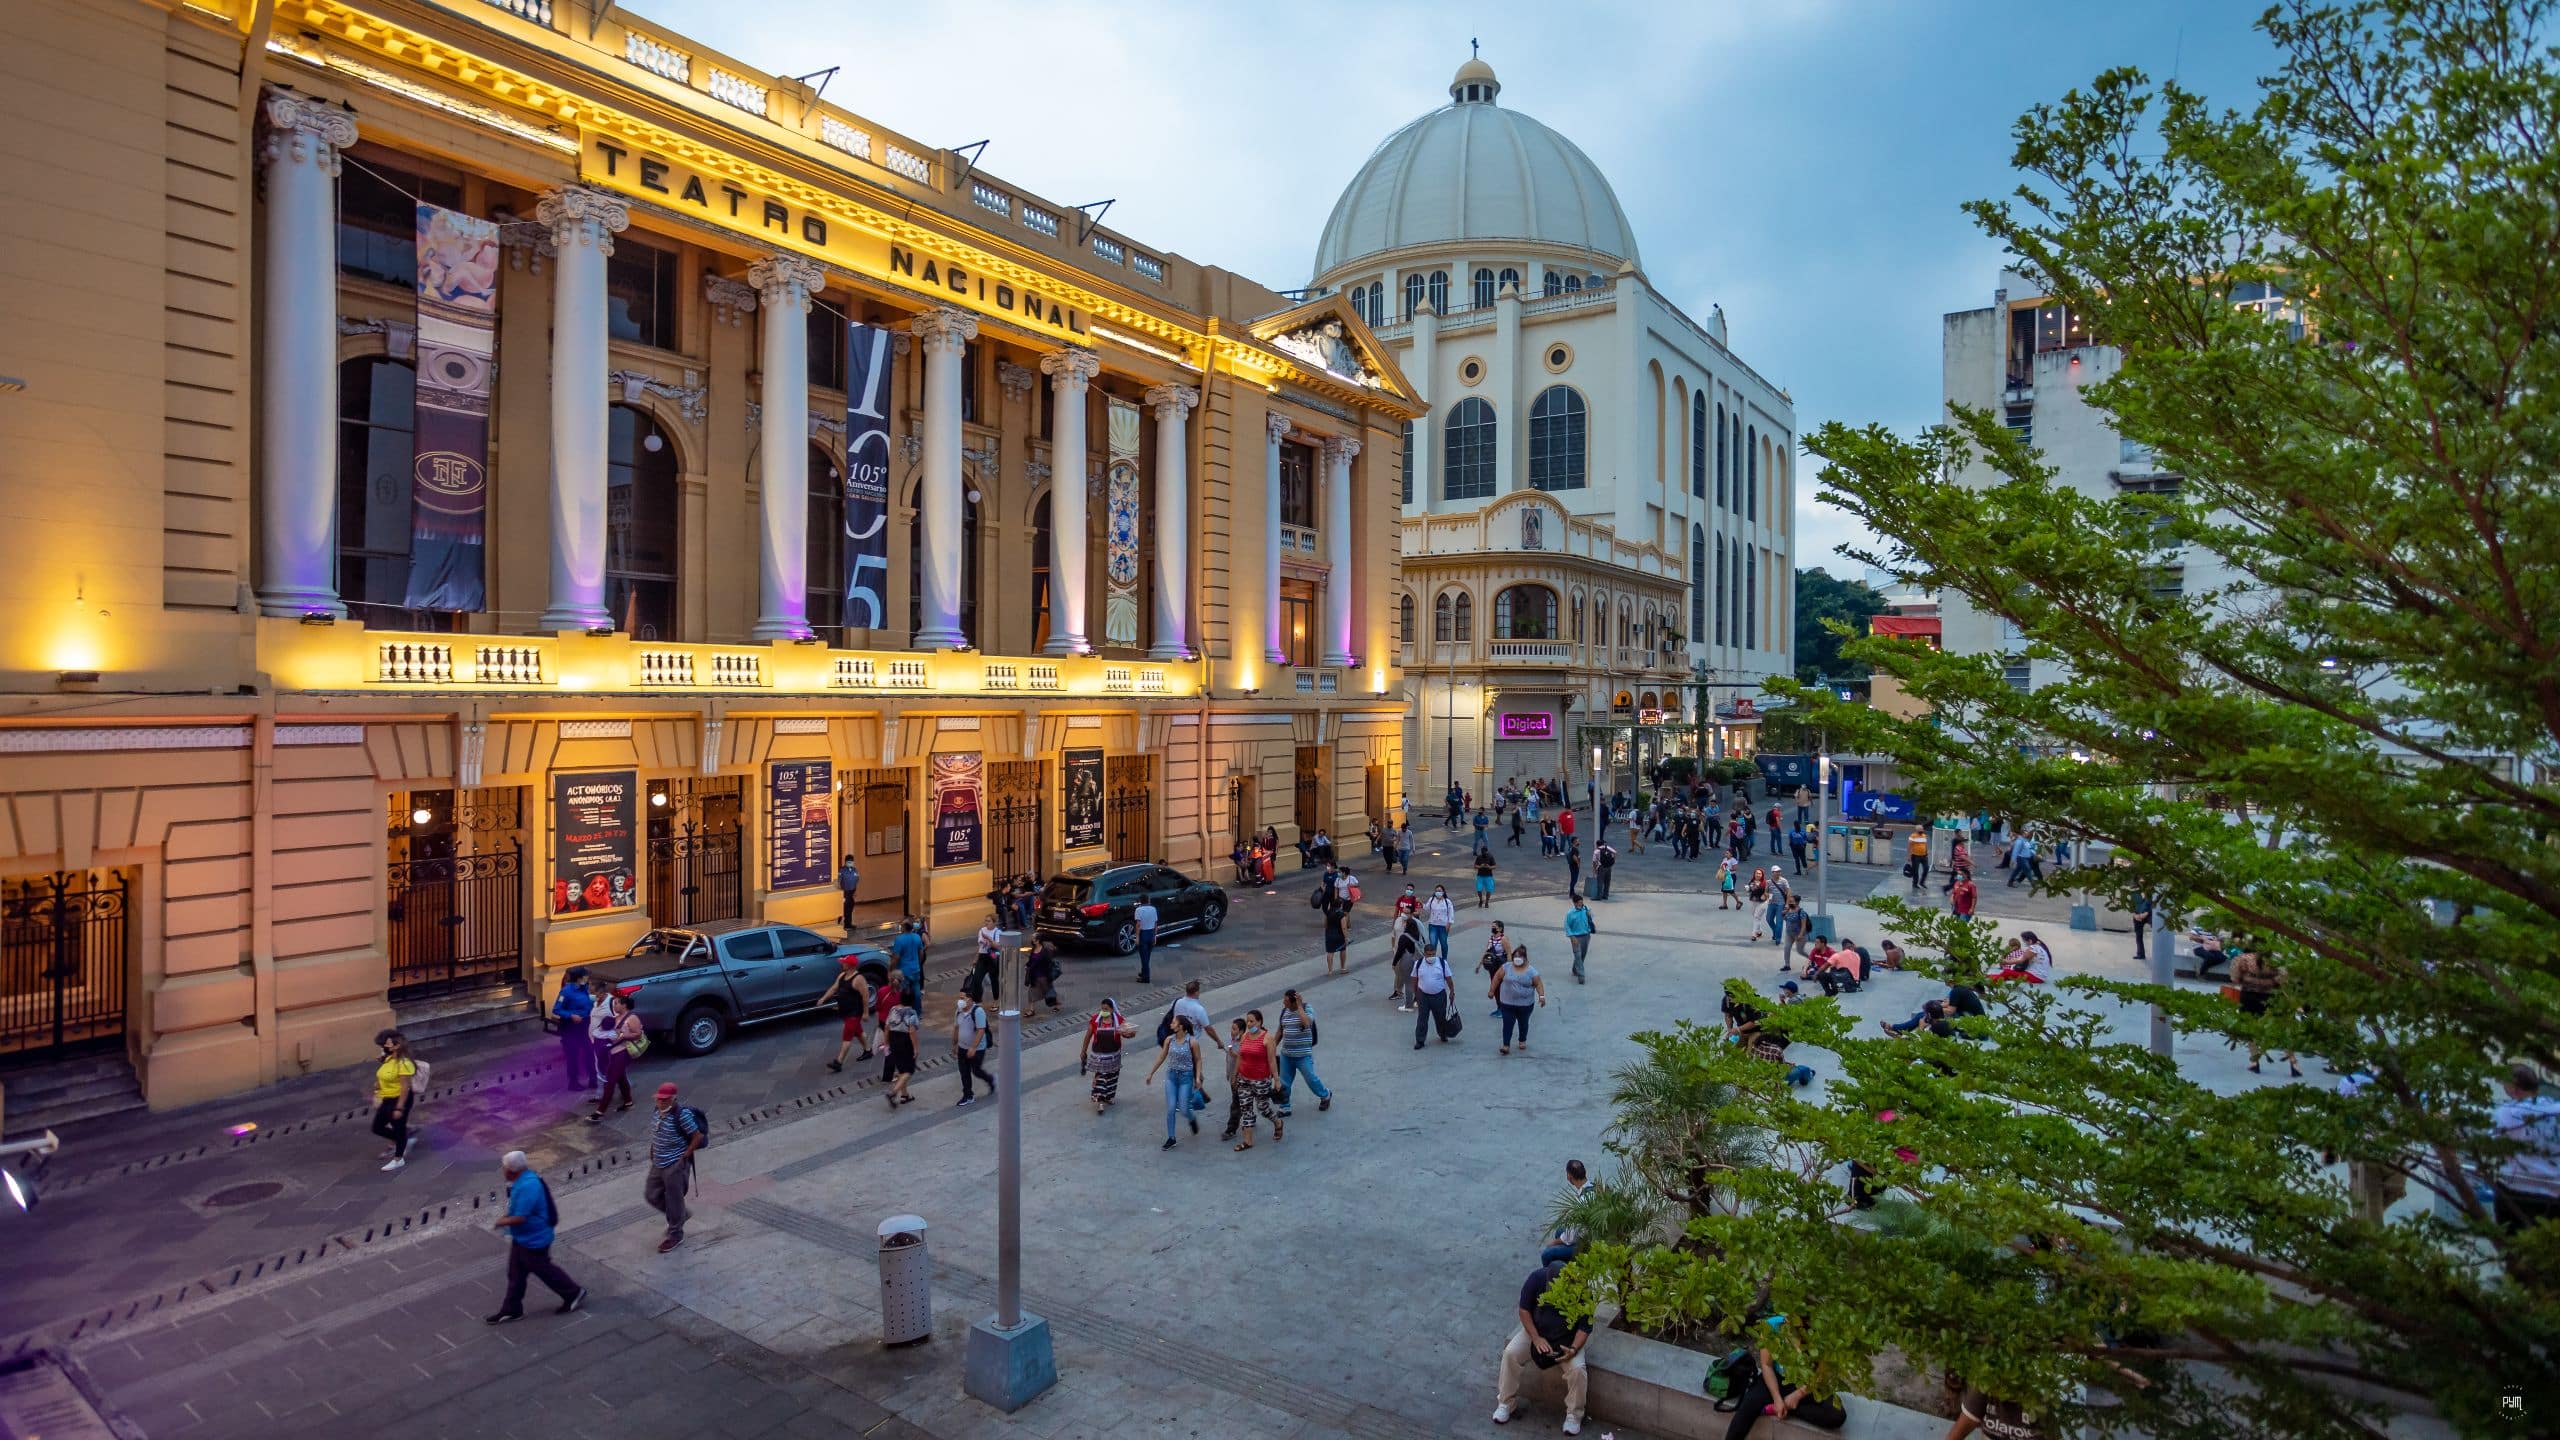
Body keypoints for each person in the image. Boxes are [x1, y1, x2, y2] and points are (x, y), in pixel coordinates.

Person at [1491, 1256, 1589, 1434]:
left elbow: (1585, 1327)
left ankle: (1574, 1415)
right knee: (1511, 1353)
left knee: (1578, 1370)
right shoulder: (1536, 1279)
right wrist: (1536, 1338)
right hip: (1536, 1331)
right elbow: (1524, 1310)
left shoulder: (1581, 1287)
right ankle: (1505, 1403)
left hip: (1567, 1339)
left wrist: (1573, 1349)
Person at [485, 1150, 583, 1324]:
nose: (502, 1170)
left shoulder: (526, 1186)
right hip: (524, 1238)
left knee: (544, 1270)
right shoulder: (524, 1179)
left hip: (533, 1240)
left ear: (511, 1170)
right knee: (515, 1273)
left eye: (504, 1167)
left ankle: (573, 1292)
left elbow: (520, 1217)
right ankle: (511, 1309)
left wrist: (501, 1221)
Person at [2488, 1063, 2560, 1232]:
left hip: (2518, 1192)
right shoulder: (2556, 1109)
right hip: (2555, 1191)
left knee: (2515, 1249)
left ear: (2513, 1088)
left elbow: (2489, 1145)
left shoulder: (2507, 1113)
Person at [643, 1081, 705, 1252]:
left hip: (674, 1164)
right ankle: (681, 1215)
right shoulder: (657, 1112)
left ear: (673, 1099)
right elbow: (657, 1132)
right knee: (651, 1195)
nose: (661, 1102)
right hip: (658, 1162)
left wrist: (685, 1156)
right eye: (658, 1099)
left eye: (664, 1099)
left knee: (674, 1199)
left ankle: (675, 1234)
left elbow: (697, 1136)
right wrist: (653, 1149)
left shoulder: (682, 1115)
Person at [2231, 944, 2297, 1076]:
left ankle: (2255, 1062)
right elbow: (2284, 977)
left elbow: (2234, 978)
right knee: (2279, 1029)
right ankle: (2293, 1062)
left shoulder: (2242, 959)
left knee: (2250, 1029)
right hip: (2271, 997)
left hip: (2249, 996)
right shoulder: (2276, 959)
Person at [1144, 1013, 1203, 1149]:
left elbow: (1198, 1060)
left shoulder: (1192, 1042)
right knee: (1170, 1108)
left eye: (1174, 1023)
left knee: (1183, 1108)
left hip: (1185, 1078)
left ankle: (1191, 1118)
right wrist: (1151, 1073)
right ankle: (1171, 1137)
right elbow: (1161, 1057)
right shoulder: (1169, 1040)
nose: (1171, 1024)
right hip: (1171, 1077)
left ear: (1181, 1026)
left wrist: (1198, 1077)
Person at [1273, 988, 1331, 1116]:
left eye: (1286, 1001)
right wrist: (1272, 1048)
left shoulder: (1307, 1008)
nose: (1283, 1003)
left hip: (1303, 1055)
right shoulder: (1284, 1012)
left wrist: (1299, 1006)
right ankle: (1285, 1106)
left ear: (1294, 1002)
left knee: (1311, 1079)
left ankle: (1325, 1095)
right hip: (1286, 1055)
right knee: (1284, 1082)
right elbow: (1280, 1032)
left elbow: (1306, 1023)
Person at [1231, 1009, 1282, 1149]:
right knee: (1246, 1108)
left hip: (1261, 1080)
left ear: (1259, 1022)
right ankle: (1248, 1141)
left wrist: (1276, 1079)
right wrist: (1235, 1074)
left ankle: (1277, 1122)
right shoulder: (1245, 1036)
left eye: (1252, 1021)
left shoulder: (1267, 1039)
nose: (1248, 1024)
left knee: (1263, 1108)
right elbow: (1240, 1057)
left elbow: (1272, 1061)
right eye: (1247, 1021)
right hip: (1244, 1079)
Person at [588, 995, 642, 1123]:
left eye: (617, 1003)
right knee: (621, 1078)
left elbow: (638, 1034)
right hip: (614, 1053)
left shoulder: (632, 1018)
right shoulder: (615, 1018)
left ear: (624, 1005)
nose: (614, 1005)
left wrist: (623, 1037)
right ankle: (628, 1102)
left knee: (610, 1081)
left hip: (623, 1053)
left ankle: (600, 1112)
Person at [371, 1028, 418, 1173]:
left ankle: (399, 1159)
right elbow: (387, 1075)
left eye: (385, 1045)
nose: (383, 1048)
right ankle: (404, 1139)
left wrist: (399, 1108)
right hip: (387, 1097)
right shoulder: (389, 1058)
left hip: (399, 1099)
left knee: (398, 1127)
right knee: (377, 1127)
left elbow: (405, 1088)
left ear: (396, 1045)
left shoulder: (404, 1064)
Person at [1080, 998, 1134, 1112]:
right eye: (1102, 1009)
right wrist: (1083, 1050)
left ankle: (1109, 1097)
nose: (1103, 1011)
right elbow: (1088, 1036)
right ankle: (1100, 1101)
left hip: (1113, 1055)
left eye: (1106, 1009)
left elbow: (1126, 1033)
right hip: (1099, 1056)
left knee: (1112, 1077)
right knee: (1101, 1078)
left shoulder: (1118, 1020)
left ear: (1112, 1009)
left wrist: (1130, 1034)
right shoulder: (1095, 1020)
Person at [1494, 945, 1548, 1056]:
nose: (1517, 959)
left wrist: (1541, 997)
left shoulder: (1531, 971)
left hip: (1525, 1005)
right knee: (1507, 1023)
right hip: (1507, 1003)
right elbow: (1497, 977)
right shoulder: (1506, 967)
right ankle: (1506, 1045)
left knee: (1523, 1023)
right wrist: (1491, 990)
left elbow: (1538, 984)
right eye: (1515, 956)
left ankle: (1522, 1039)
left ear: (1525, 958)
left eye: (1520, 956)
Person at [820, 958, 872, 1072]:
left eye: (844, 962)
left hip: (854, 1013)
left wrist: (866, 1012)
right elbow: (834, 988)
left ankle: (838, 1062)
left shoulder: (859, 979)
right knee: (858, 1031)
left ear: (850, 965)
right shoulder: (842, 975)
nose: (842, 964)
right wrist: (824, 998)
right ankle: (868, 1050)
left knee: (847, 1036)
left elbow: (865, 995)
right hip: (845, 1011)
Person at [1540, 1158, 1594, 1265]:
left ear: (1569, 1176)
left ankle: (1554, 1276)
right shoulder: (1593, 1187)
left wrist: (1553, 1243)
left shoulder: (1582, 1202)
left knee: (1547, 1254)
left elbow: (1571, 1236)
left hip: (1586, 1243)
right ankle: (1566, 1262)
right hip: (1589, 1234)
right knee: (1560, 1231)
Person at [549, 968, 595, 1092]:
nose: (587, 978)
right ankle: (573, 1082)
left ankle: (593, 1079)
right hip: (571, 1027)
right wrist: (571, 1015)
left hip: (585, 1025)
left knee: (590, 1052)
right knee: (573, 1055)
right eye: (585, 976)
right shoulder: (566, 992)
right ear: (579, 978)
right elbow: (556, 1010)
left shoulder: (585, 988)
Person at [953, 994, 995, 1106]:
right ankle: (968, 1095)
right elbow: (956, 1027)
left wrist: (973, 1047)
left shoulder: (978, 1011)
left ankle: (990, 1079)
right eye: (959, 998)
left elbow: (981, 1030)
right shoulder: (958, 1011)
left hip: (977, 1048)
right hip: (962, 1047)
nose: (960, 1001)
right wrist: (955, 1043)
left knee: (976, 1070)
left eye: (962, 998)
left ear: (970, 999)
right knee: (964, 1071)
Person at [1413, 945, 1456, 1049]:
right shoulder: (1418, 964)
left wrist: (1452, 992)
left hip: (1439, 995)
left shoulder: (1442, 963)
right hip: (1423, 996)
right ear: (1424, 954)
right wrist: (1416, 994)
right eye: (1428, 954)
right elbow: (1414, 979)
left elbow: (1449, 979)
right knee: (1422, 1019)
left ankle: (1442, 1034)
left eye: (1433, 954)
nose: (1431, 956)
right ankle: (1420, 1040)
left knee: (1440, 1017)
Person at [584, 977, 618, 1107]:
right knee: (600, 1066)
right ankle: (602, 1093)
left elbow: (619, 1019)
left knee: (607, 1066)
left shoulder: (612, 1003)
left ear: (602, 992)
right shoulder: (597, 1001)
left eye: (594, 993)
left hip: (606, 1041)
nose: (592, 996)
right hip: (595, 1040)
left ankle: (608, 1092)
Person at [1987, 931, 2054, 984]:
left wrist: (2006, 962)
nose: (2024, 943)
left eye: (2024, 941)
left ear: (2030, 941)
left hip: (2036, 977)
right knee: (2008, 974)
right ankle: (1989, 977)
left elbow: (2020, 960)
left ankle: (1988, 982)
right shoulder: (2039, 946)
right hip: (2039, 976)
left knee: (2007, 972)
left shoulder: (2033, 948)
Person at [1390, 908, 1422, 1009]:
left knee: (1408, 983)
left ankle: (1408, 1006)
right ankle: (1417, 1000)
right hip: (1416, 959)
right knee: (1415, 981)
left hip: (1407, 960)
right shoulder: (1416, 934)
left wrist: (1394, 962)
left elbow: (1400, 952)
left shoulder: (1404, 937)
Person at [890, 919, 926, 1003]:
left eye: (901, 925)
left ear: (904, 927)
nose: (900, 927)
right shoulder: (917, 937)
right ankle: (917, 1011)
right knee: (916, 991)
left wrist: (891, 969)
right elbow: (921, 953)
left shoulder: (899, 939)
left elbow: (896, 957)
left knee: (903, 993)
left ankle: (904, 1011)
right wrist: (918, 963)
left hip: (904, 971)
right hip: (915, 969)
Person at [970, 915, 1004, 1001]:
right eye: (985, 921)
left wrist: (989, 938)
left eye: (989, 921)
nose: (986, 923)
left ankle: (996, 1001)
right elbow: (980, 946)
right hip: (982, 957)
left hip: (992, 958)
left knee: (994, 980)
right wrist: (976, 958)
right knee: (976, 979)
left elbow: (997, 946)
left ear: (994, 923)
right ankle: (977, 1001)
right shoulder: (982, 930)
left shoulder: (998, 932)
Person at [1563, 896, 1595, 985]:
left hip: (1586, 935)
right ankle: (1581, 976)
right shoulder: (1570, 913)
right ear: (1575, 903)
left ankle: (1575, 969)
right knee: (1578, 955)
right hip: (1576, 937)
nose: (1581, 904)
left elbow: (1592, 917)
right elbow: (1567, 926)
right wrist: (1572, 937)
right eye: (1579, 902)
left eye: (1582, 902)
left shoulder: (1586, 909)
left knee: (1582, 955)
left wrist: (1590, 915)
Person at [1132, 891, 1160, 983]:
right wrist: (1155, 936)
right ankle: (1144, 972)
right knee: (1147, 955)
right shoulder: (1153, 909)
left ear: (1140, 901)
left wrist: (1137, 937)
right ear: (1148, 900)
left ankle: (1146, 977)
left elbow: (1138, 925)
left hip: (1143, 933)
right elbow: (1156, 923)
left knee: (1143, 956)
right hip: (1151, 932)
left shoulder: (1138, 910)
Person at [836, 854, 861, 930]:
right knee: (843, 908)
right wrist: (840, 893)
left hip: (851, 892)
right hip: (844, 892)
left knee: (850, 908)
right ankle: (837, 922)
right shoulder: (842, 870)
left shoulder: (854, 870)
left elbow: (856, 880)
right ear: (846, 862)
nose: (850, 863)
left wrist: (855, 891)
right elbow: (838, 881)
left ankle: (848, 924)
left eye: (851, 861)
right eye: (848, 861)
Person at [2129, 889, 2155, 961]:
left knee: (2157, 931)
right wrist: (2135, 915)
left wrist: (2145, 914)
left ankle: (2159, 954)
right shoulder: (2134, 893)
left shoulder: (2151, 892)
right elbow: (2132, 906)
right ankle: (2140, 954)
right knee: (2138, 935)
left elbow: (2152, 906)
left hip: (2148, 915)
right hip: (2138, 915)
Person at [1907, 825, 1932, 891]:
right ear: (1917, 830)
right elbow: (1909, 847)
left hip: (1924, 855)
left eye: (1922, 830)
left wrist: (1926, 852)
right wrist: (1909, 856)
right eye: (1920, 830)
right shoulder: (1913, 836)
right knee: (1915, 870)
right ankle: (1915, 884)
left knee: (1926, 868)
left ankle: (1922, 882)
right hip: (1915, 856)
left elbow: (1925, 844)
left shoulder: (1924, 836)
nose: (1922, 831)